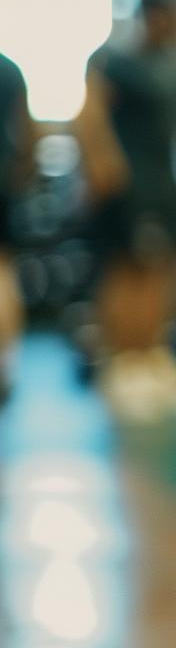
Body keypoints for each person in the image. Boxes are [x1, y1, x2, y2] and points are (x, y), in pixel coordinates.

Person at [75, 0, 176, 418]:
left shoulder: (172, 68)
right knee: (125, 272)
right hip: (126, 188)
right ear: (153, 16)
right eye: (175, 17)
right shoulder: (116, 63)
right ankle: (124, 365)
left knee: (155, 271)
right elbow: (87, 115)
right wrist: (101, 167)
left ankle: (150, 359)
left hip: (161, 185)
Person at [0, 51, 30, 393]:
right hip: (3, 181)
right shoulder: (9, 69)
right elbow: (29, 132)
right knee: (3, 270)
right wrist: (22, 174)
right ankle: (4, 366)